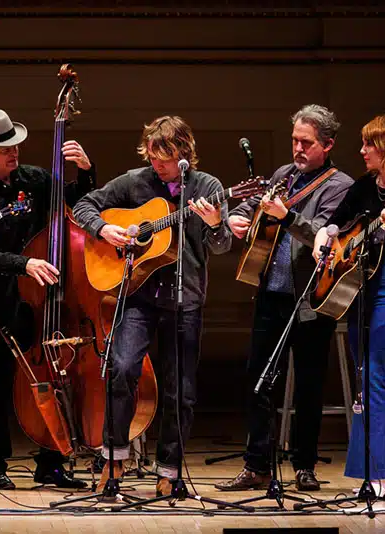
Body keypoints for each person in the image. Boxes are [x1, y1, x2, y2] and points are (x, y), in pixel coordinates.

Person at [73, 115, 232, 492]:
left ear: (183, 154)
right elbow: (84, 206)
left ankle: (170, 472)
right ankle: (113, 459)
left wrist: (213, 224)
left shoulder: (207, 187)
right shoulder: (135, 181)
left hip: (185, 298)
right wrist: (104, 228)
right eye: (151, 156)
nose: (156, 165)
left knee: (181, 389)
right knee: (122, 368)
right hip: (138, 295)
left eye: (163, 158)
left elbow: (223, 244)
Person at [215, 104, 354, 492]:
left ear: (327, 145)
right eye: (294, 140)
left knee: (308, 385)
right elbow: (250, 206)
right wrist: (232, 218)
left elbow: (328, 237)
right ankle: (257, 464)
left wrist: (287, 216)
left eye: (305, 143)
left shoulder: (338, 185)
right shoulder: (284, 175)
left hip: (310, 299)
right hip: (271, 294)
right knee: (259, 381)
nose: (297, 148)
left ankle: (304, 465)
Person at [0, 108, 94, 490]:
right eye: (4, 149)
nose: (13, 153)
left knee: (54, 376)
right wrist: (25, 264)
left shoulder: (37, 179)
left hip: (43, 302)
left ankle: (52, 462)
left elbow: (77, 202)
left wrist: (85, 170)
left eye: (15, 146)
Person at [314, 113, 385, 497]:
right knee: (365, 375)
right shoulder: (364, 187)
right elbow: (335, 224)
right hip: (361, 284)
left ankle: (377, 477)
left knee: (374, 374)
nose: (361, 151)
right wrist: (325, 240)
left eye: (369, 145)